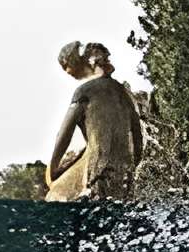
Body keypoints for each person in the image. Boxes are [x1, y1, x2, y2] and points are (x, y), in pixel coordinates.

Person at [46, 41, 143, 202]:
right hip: (126, 174)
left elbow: (64, 134)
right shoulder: (123, 92)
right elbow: (137, 134)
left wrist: (54, 168)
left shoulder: (84, 92)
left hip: (99, 172)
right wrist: (135, 166)